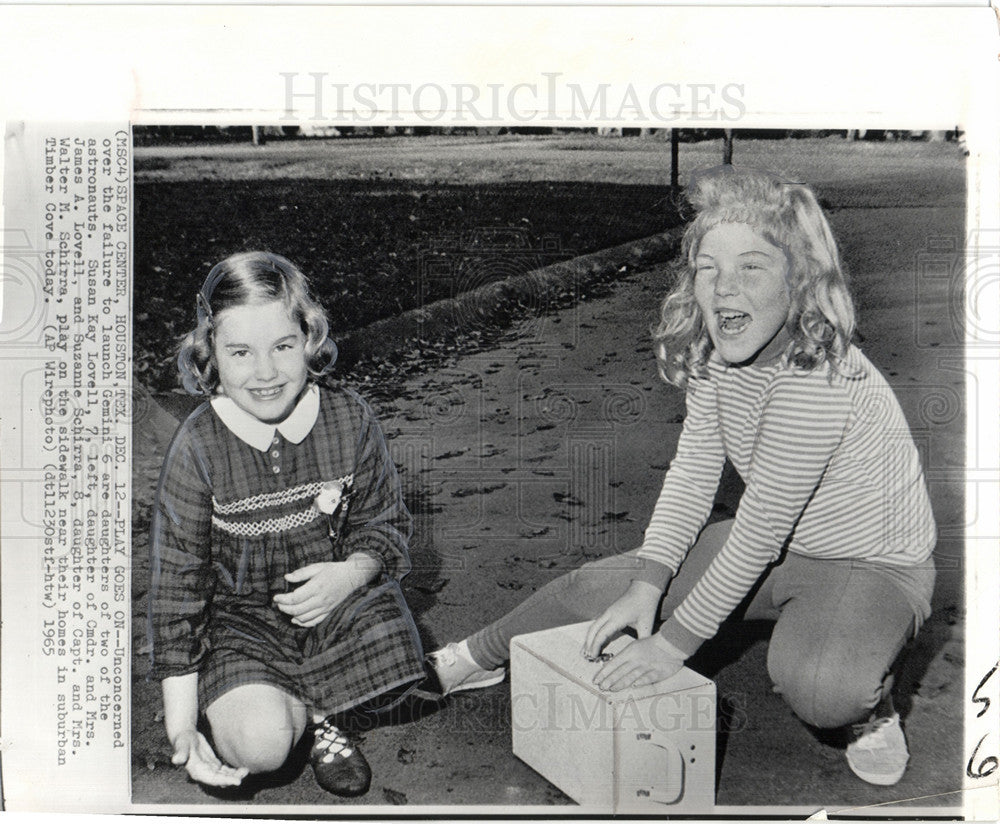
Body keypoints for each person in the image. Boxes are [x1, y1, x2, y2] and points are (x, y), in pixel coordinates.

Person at [428, 166, 937, 788]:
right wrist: (648, 585)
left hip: (871, 563)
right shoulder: (716, 355)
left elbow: (758, 528)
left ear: (800, 282)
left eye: (752, 266)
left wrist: (670, 645)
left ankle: (873, 703)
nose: (726, 288)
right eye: (707, 267)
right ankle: (474, 657)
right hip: (782, 547)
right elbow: (694, 474)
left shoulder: (819, 378)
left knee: (823, 690)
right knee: (606, 589)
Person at [147, 251, 428, 797]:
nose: (266, 372)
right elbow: (175, 590)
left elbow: (385, 524)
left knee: (401, 651)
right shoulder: (200, 445)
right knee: (262, 747)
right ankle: (286, 701)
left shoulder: (349, 418)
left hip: (330, 605)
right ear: (210, 355)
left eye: (282, 346)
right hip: (240, 626)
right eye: (240, 352)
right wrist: (181, 728)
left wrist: (352, 572)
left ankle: (325, 716)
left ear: (309, 338)